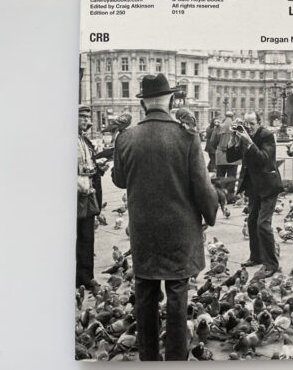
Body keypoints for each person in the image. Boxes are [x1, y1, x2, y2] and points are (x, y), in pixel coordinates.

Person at [112, 73, 218, 361]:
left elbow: (119, 180)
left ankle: (148, 357)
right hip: (179, 230)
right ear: (171, 99)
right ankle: (175, 357)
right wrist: (210, 213)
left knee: (144, 293)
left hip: (144, 231)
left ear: (144, 103)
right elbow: (201, 183)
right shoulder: (186, 136)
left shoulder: (126, 137)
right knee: (177, 294)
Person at [226, 112, 282, 277]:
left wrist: (248, 142)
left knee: (263, 224)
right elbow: (231, 158)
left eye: (251, 124)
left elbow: (264, 159)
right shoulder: (244, 134)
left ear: (259, 122)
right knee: (251, 222)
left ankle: (271, 264)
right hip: (253, 186)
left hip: (269, 185)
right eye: (246, 123)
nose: (248, 127)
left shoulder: (267, 135)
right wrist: (233, 139)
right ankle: (256, 257)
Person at [76, 105, 108, 288]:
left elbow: (88, 167)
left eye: (88, 118)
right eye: (83, 118)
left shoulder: (85, 141)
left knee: (87, 237)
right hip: (76, 196)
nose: (87, 121)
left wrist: (98, 169)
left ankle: (86, 277)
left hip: (87, 197)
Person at [210, 111, 240, 203]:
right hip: (233, 156)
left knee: (220, 177)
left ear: (225, 116)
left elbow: (212, 142)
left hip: (221, 155)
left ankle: (220, 197)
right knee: (232, 177)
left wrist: (219, 148)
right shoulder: (236, 128)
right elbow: (240, 142)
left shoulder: (219, 127)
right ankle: (230, 198)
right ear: (233, 116)